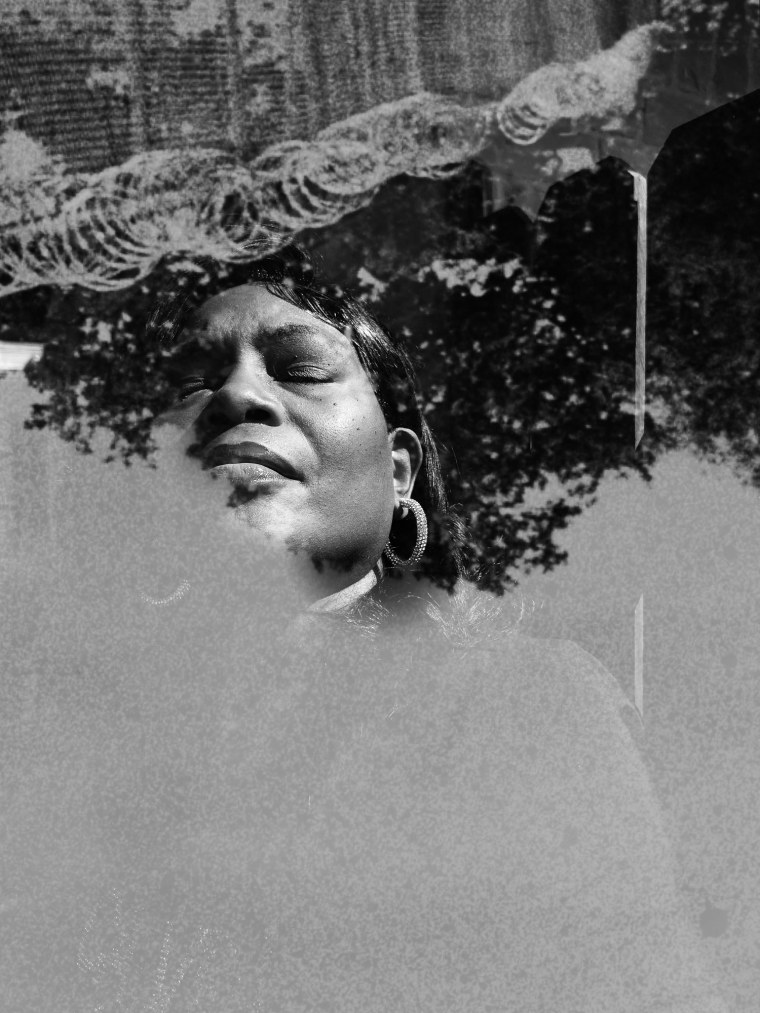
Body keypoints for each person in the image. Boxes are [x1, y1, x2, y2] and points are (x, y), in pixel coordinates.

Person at [1, 255, 730, 1012]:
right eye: (192, 383)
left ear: (398, 471)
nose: (237, 395)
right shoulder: (70, 736)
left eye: (302, 368)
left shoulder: (524, 710)